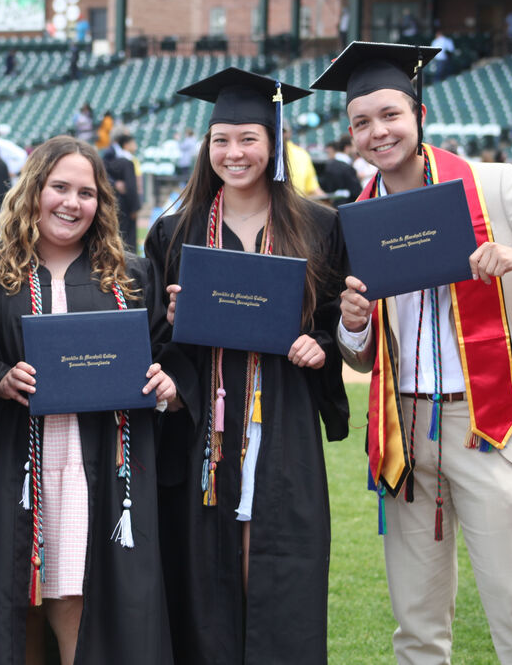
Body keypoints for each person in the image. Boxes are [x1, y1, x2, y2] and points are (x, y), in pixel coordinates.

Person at [318, 42, 512, 664]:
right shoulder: (357, 218)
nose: (378, 133)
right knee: (417, 627)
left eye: (390, 115)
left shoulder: (492, 184)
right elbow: (362, 354)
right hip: (404, 430)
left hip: (490, 424)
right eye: (362, 122)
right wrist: (351, 325)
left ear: (419, 113)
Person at [145, 67, 350, 665]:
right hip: (204, 420)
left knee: (277, 557)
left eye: (248, 139)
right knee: (207, 563)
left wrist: (324, 345)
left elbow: (340, 317)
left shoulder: (318, 225)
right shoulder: (173, 231)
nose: (233, 153)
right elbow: (155, 337)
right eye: (220, 140)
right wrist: (176, 368)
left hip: (282, 413)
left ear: (273, 141)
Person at [0, 135, 177, 665]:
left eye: (86, 192)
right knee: (23, 603)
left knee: (77, 598)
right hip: (21, 460)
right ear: (32, 191)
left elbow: (165, 357)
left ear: (101, 203)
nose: (71, 202)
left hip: (100, 467)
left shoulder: (129, 275)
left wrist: (166, 384)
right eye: (58, 187)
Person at [103, 132, 141, 250]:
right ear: (125, 145)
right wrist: (135, 207)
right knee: (128, 239)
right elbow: (131, 187)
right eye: (133, 143)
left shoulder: (111, 160)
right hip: (127, 205)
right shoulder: (127, 162)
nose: (135, 145)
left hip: (115, 203)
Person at [283, 120, 324, 198]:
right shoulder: (263, 153)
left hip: (297, 206)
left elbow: (312, 189)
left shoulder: (302, 154)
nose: (280, 134)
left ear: (289, 133)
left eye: (283, 131)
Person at [320, 138, 362, 204]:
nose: (355, 149)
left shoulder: (328, 165)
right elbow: (357, 192)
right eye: (353, 146)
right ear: (347, 148)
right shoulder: (347, 167)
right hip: (349, 206)